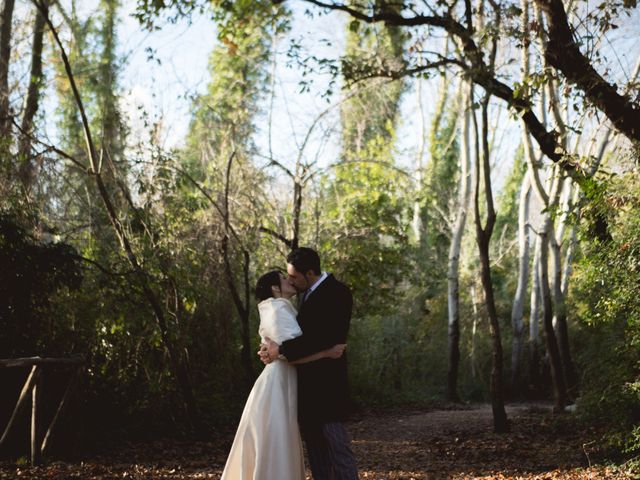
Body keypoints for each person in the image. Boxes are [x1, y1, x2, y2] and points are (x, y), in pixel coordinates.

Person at [221, 270, 346, 480]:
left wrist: (272, 351)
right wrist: (326, 352)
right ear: (275, 288)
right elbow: (290, 355)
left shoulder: (276, 308)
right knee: (278, 436)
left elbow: (281, 349)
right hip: (278, 381)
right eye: (284, 279)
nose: (290, 281)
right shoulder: (278, 309)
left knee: (274, 436)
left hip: (280, 378)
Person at [260, 247, 359, 480]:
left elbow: (322, 338)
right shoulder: (305, 295)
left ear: (311, 272)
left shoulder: (337, 292)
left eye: (294, 276)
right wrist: (271, 348)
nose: (292, 281)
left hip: (328, 388)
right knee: (316, 453)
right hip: (305, 387)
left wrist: (280, 350)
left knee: (337, 448)